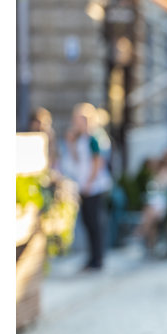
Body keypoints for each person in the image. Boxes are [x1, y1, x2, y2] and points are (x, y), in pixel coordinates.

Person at [59, 103, 113, 270]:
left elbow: (98, 162)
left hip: (94, 186)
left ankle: (98, 258)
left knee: (94, 222)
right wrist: (70, 144)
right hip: (84, 185)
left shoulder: (95, 137)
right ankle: (92, 257)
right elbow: (76, 160)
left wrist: (90, 182)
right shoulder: (81, 138)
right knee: (87, 222)